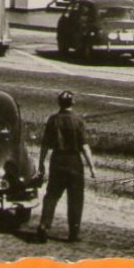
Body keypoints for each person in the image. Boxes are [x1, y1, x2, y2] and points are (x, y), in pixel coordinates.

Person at [37, 90, 96, 243]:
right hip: (74, 162)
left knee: (51, 195)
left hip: (57, 160)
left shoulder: (52, 120)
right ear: (73, 103)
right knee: (75, 198)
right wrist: (91, 167)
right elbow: (84, 146)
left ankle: (44, 225)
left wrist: (41, 163)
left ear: (59, 103)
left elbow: (45, 145)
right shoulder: (78, 121)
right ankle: (73, 233)